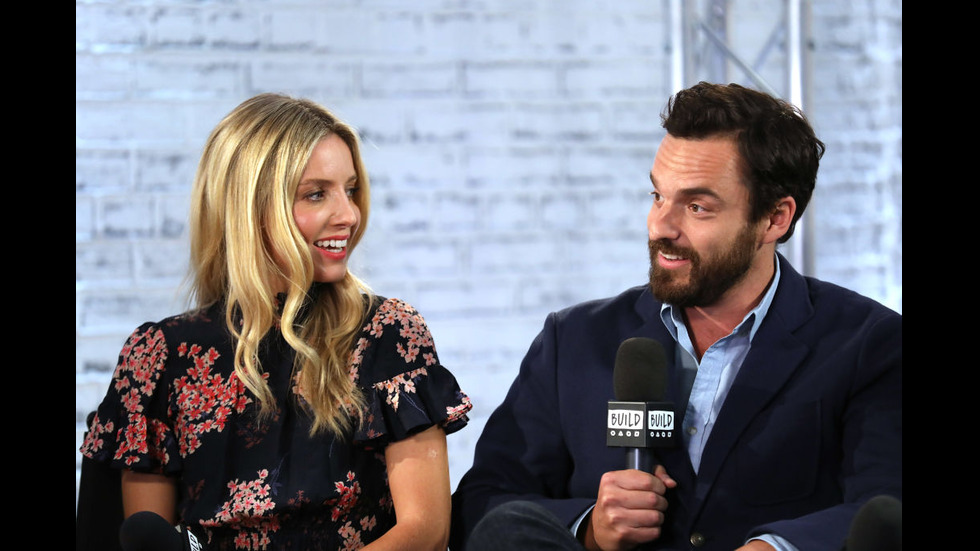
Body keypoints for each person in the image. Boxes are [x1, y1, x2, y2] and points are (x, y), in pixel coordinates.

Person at [449, 82, 901, 551]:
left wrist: (775, 547)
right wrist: (589, 526)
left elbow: (888, 504)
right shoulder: (574, 340)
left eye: (697, 207)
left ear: (775, 219)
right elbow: (482, 505)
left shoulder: (869, 344)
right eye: (658, 196)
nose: (660, 226)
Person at [79, 93, 473, 550]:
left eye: (350, 190)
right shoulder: (158, 355)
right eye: (316, 194)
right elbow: (149, 537)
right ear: (250, 208)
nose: (349, 215)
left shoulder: (388, 333)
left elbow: (425, 532)